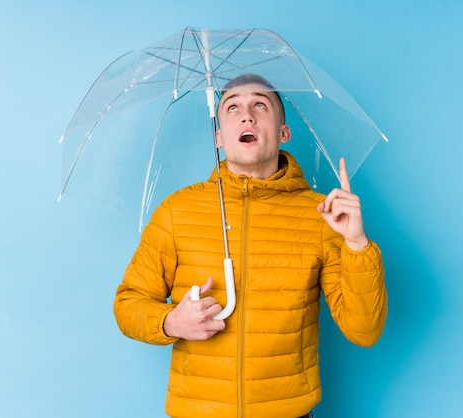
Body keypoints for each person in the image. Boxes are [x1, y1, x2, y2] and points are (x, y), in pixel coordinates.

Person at [114, 74, 387, 418]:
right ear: (219, 136)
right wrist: (171, 322)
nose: (247, 115)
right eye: (232, 108)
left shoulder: (323, 216)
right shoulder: (176, 212)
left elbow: (364, 331)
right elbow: (128, 305)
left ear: (284, 133)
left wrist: (356, 243)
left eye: (260, 104)